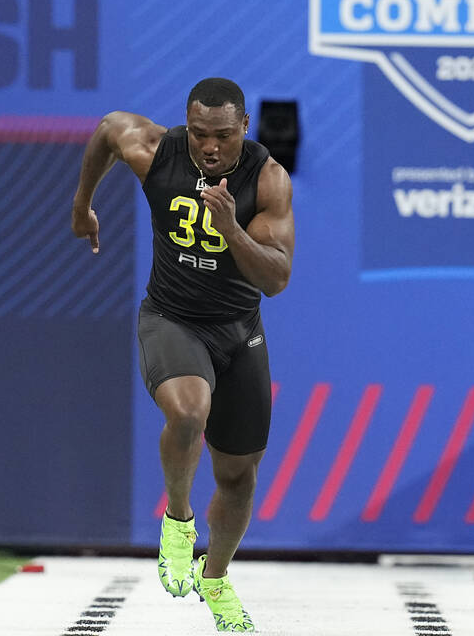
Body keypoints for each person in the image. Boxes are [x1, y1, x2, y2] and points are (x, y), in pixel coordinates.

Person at [70, 77, 294, 632]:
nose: (210, 148)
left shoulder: (267, 178)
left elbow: (278, 278)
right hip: (172, 317)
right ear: (185, 127)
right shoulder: (157, 151)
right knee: (189, 411)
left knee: (239, 476)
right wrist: (83, 204)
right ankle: (177, 520)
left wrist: (230, 229)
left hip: (239, 332)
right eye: (199, 135)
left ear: (245, 127)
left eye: (222, 135)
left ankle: (215, 581)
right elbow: (106, 128)